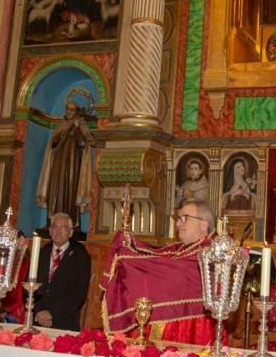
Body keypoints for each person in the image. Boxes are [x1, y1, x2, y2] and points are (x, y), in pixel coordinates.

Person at [101, 200, 217, 344]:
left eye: (184, 218)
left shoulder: (210, 251)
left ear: (203, 224)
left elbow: (167, 270)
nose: (178, 224)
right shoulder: (181, 248)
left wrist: (131, 260)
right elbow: (156, 254)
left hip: (189, 326)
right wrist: (129, 244)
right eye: (179, 219)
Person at [37, 101, 93, 227]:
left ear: (77, 111)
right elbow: (53, 144)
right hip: (58, 163)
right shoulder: (62, 124)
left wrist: (77, 128)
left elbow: (85, 143)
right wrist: (64, 132)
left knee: (70, 191)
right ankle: (52, 221)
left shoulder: (80, 124)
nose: (68, 112)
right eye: (67, 109)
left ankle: (70, 223)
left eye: (72, 109)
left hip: (73, 164)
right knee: (55, 189)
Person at [31, 213, 91, 331]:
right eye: (54, 227)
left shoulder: (80, 255)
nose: (58, 231)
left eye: (63, 228)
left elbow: (79, 293)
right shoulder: (41, 252)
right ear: (49, 230)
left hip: (64, 322)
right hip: (36, 321)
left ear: (71, 232)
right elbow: (29, 284)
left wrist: (52, 314)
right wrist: (38, 312)